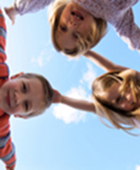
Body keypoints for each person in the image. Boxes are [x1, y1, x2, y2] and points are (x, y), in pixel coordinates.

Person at [0, 9, 54, 170]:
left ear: (19, 115)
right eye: (24, 88)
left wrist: (10, 167)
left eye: (25, 105)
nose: (18, 97)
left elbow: (9, 155)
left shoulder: (1, 129)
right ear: (17, 76)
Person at [4, 0, 140, 57]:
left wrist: (14, 10)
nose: (72, 25)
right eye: (76, 35)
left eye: (63, 28)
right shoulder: (113, 15)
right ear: (91, 35)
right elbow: (134, 38)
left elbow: (37, 1)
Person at [52, 50, 140, 135]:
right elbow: (93, 108)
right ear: (116, 109)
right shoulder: (132, 118)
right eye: (118, 100)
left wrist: (84, 50)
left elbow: (112, 67)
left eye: (125, 88)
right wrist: (62, 99)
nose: (129, 97)